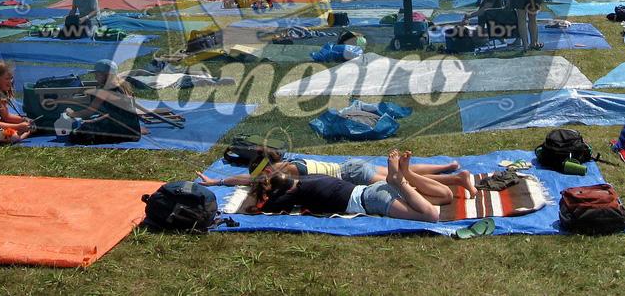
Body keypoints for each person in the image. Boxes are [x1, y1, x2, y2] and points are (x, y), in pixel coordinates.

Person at [251, 150, 463, 222]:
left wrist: (222, 181)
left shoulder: (295, 190)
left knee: (430, 216)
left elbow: (269, 207)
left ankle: (401, 179)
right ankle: (403, 177)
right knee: (443, 197)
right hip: (366, 188)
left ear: (267, 173)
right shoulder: (297, 171)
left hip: (370, 197)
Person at [197, 150, 474, 193]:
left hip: (353, 175)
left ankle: (455, 178)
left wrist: (218, 181)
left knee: (403, 182)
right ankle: (446, 166)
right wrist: (219, 179)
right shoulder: (286, 161)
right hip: (352, 166)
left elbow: (249, 179)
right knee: (404, 170)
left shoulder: (283, 170)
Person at [65, 59, 140, 144]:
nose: (95, 77)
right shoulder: (123, 86)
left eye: (97, 74)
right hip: (133, 132)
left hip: (122, 132)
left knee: (75, 135)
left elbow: (88, 112)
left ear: (106, 75)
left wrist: (71, 114)